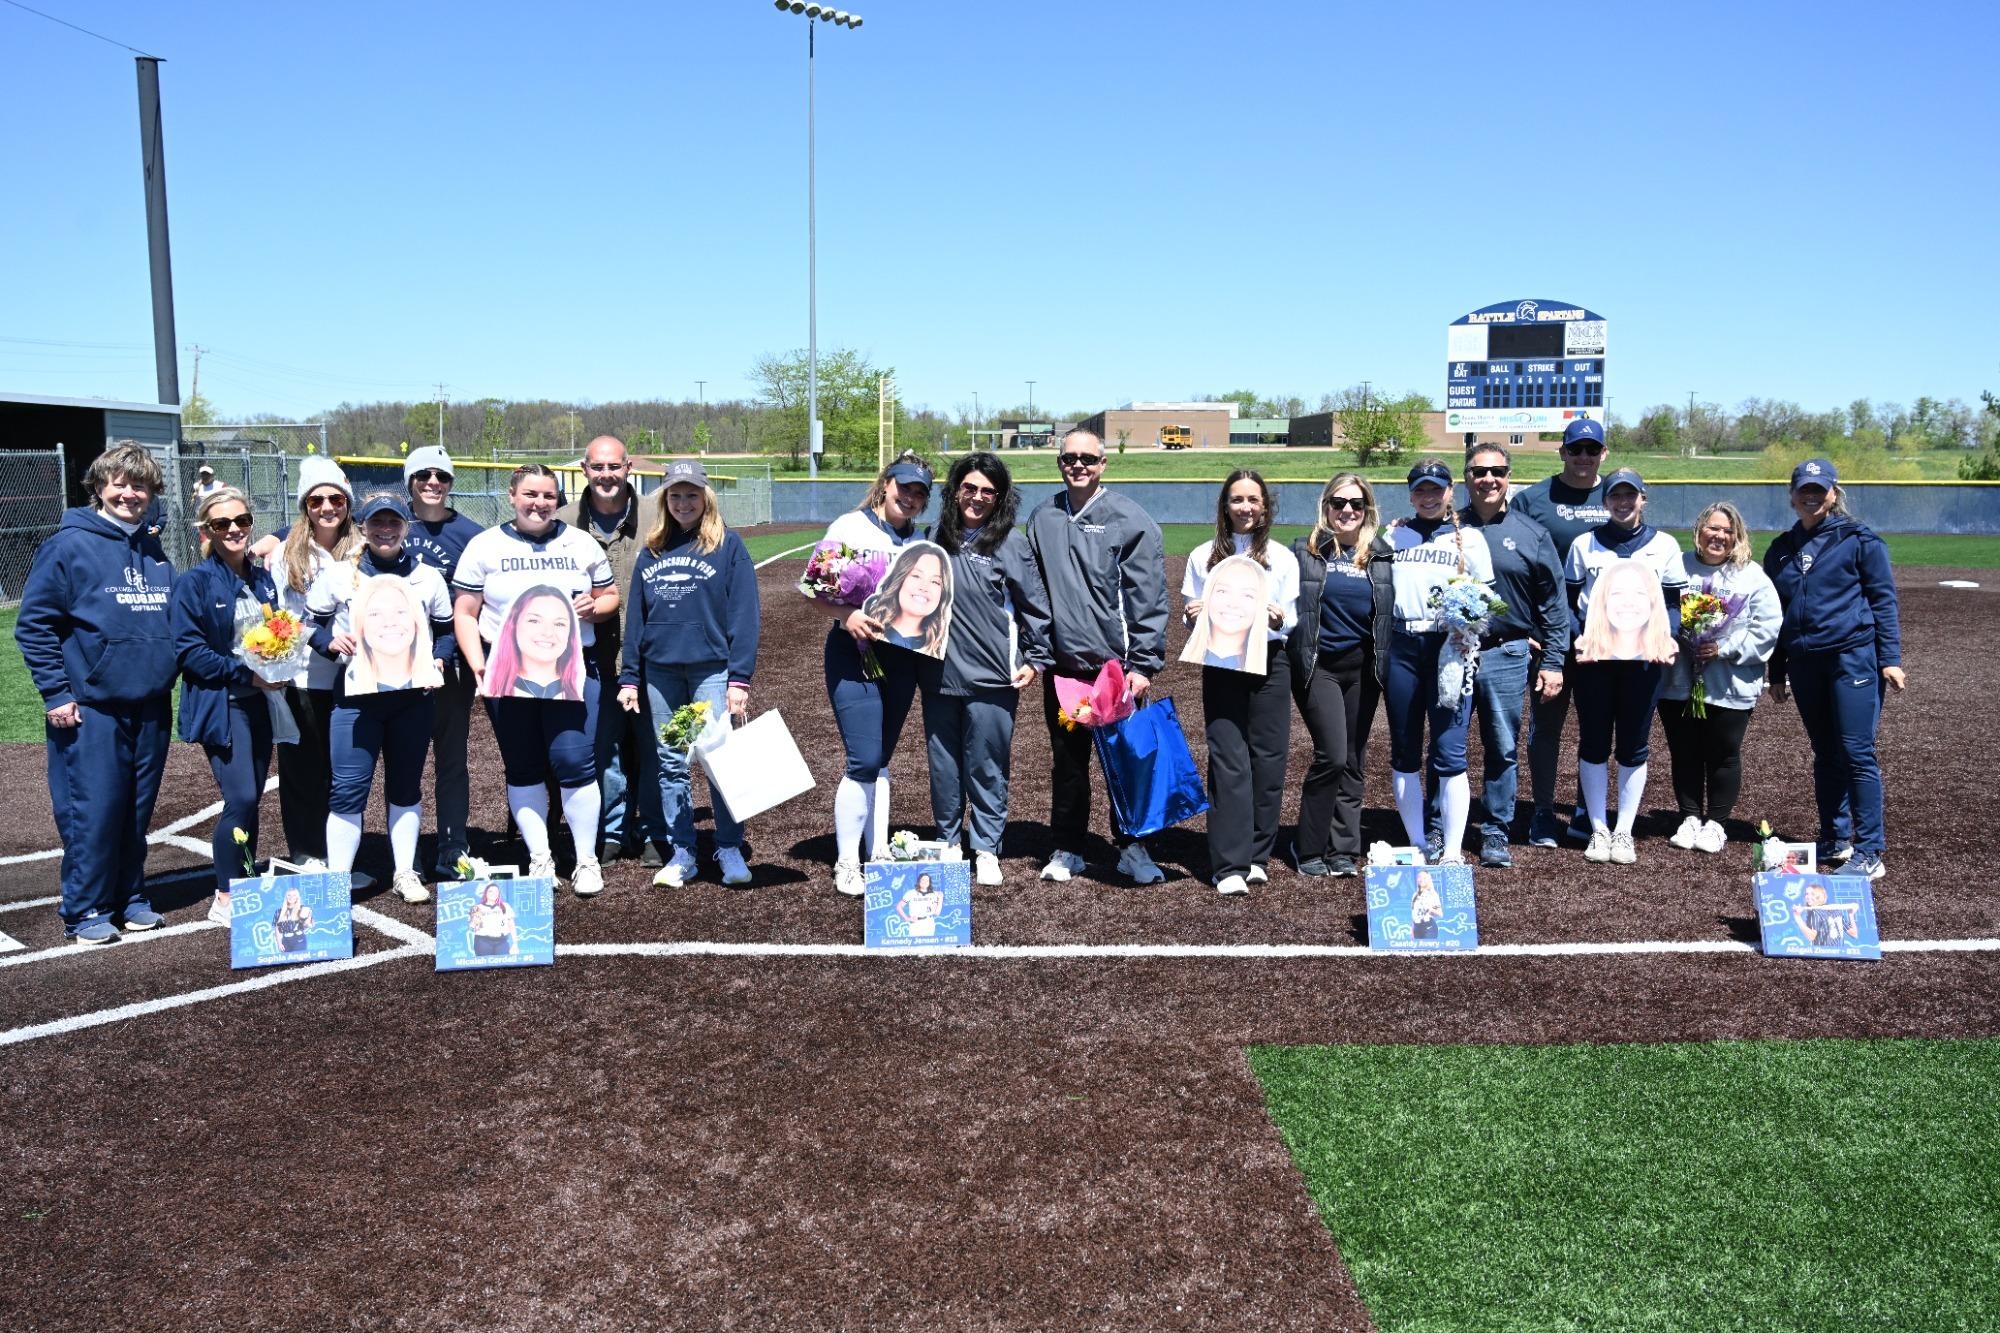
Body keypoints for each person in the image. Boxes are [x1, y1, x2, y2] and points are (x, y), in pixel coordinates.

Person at [14, 442, 178, 943]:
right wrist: (57, 693)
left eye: (141, 485)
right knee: (94, 809)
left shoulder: (153, 547)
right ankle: (85, 907)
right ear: (99, 488)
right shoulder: (67, 546)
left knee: (136, 809)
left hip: (149, 702)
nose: (131, 493)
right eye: (121, 483)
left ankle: (129, 896)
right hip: (89, 705)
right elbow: (34, 625)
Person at [453, 464, 620, 895]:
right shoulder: (484, 545)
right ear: (512, 495)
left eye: (548, 495)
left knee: (574, 760)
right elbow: (466, 613)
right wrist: (477, 664)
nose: (539, 503)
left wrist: (593, 609)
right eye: (530, 494)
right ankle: (540, 857)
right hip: (508, 672)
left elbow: (609, 596)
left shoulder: (580, 542)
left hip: (572, 668)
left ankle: (586, 860)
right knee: (523, 765)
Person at [1025, 428, 1170, 885]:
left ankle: (1131, 847)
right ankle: (1068, 846)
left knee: (1126, 763)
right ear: (1060, 462)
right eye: (1070, 457)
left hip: (1115, 670)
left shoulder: (1130, 518)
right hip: (1066, 669)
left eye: (1088, 457)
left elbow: (1147, 594)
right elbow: (1032, 592)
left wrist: (1143, 663)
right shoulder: (1043, 516)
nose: (1079, 465)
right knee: (1068, 764)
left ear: (1103, 463)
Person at [307, 492, 456, 904]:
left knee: (406, 787)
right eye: (377, 523)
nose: (385, 530)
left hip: (412, 699)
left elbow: (444, 633)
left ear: (407, 527)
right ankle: (338, 880)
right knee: (348, 790)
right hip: (356, 700)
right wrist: (329, 642)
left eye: (394, 523)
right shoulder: (340, 575)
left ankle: (406, 872)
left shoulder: (428, 577)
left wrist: (440, 661)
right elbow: (310, 626)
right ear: (363, 527)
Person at [618, 459, 760, 889]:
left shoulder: (727, 545)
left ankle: (729, 846)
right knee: (671, 762)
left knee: (718, 759)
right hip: (660, 672)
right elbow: (637, 620)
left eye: (691, 494)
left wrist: (739, 679)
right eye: (675, 495)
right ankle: (683, 851)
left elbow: (744, 614)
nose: (683, 502)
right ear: (665, 499)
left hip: (710, 670)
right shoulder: (653, 547)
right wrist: (629, 676)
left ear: (706, 498)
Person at [1763, 459, 1905, 880]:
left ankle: (1870, 850)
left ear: (1834, 493)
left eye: (1819, 489)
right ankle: (1835, 837)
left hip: (1852, 657)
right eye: (1803, 489)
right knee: (1825, 753)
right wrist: (1777, 671)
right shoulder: (1781, 548)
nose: (1811, 495)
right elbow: (1777, 614)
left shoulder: (1860, 540)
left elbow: (1884, 600)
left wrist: (1890, 659)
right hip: (1806, 662)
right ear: (1791, 495)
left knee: (1857, 753)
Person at [921, 453, 1052, 887]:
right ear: (955, 489)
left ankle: (986, 847)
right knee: (944, 767)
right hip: (938, 674)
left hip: (994, 676)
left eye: (987, 491)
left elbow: (1035, 607)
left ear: (999, 498)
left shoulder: (1011, 543)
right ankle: (947, 843)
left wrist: (1035, 660)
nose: (976, 498)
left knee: (987, 765)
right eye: (969, 488)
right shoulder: (932, 536)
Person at [817, 454, 934, 897]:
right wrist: (847, 615)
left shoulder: (923, 543)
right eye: (904, 486)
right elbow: (816, 591)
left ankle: (878, 851)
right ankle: (848, 862)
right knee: (863, 759)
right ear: (886, 483)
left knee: (881, 759)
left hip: (903, 658)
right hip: (853, 652)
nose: (910, 497)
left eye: (920, 492)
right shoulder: (849, 528)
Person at [170, 485, 287, 925]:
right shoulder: (194, 582)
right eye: (222, 523)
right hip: (224, 704)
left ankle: (243, 883)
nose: (234, 529)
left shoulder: (260, 578)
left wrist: (281, 660)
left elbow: (278, 633)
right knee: (239, 796)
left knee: (250, 798)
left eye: (241, 521)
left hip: (261, 702)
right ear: (207, 531)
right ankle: (224, 897)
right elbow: (188, 651)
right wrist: (246, 673)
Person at [1448, 443, 1569, 867]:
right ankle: (1440, 826)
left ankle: (1495, 831)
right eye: (1479, 472)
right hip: (1453, 651)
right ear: (1466, 478)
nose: (1488, 479)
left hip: (1506, 653)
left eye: (1497, 471)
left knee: (1501, 747)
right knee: (1448, 744)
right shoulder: (1446, 530)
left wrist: (1554, 660)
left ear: (1508, 476)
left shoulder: (1532, 532)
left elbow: (1554, 604)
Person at [1371, 460, 1495, 865]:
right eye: (1421, 489)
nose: (1429, 496)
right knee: (1405, 750)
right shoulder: (1391, 535)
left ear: (1449, 492)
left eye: (1436, 489)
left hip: (1450, 648)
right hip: (1403, 647)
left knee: (1450, 752)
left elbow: (1490, 602)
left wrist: (1472, 618)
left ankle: (1454, 852)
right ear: (1410, 494)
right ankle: (1420, 845)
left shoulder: (1470, 539)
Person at [1182, 470, 1298, 895]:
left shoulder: (1283, 557)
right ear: (1224, 505)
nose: (1245, 508)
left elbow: (1292, 618)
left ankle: (1257, 856)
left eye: (1253, 499)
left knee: (1268, 759)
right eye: (1236, 499)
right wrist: (1192, 614)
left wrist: (1278, 617)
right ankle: (1228, 864)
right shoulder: (1203, 555)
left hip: (1271, 661)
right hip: (1222, 659)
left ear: (1265, 505)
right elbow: (1188, 612)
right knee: (1228, 758)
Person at [1565, 469, 1686, 865]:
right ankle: (1599, 828)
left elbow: (1672, 604)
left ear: (1642, 499)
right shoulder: (1585, 544)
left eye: (1630, 496)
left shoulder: (1665, 545)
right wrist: (1577, 635)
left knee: (1634, 747)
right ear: (1605, 501)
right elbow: (1568, 601)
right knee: (1594, 742)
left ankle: (1624, 831)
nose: (1623, 502)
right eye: (1615, 496)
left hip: (1641, 663)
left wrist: (1667, 635)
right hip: (1596, 661)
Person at [557, 436, 665, 866]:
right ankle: (613, 829)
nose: (606, 475)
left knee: (657, 749)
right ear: (584, 469)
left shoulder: (660, 515)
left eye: (614, 467)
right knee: (604, 750)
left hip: (654, 658)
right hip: (589, 661)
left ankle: (657, 829)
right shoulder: (563, 520)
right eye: (597, 467)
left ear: (629, 467)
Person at [250, 457, 360, 871]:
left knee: (346, 772)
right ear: (305, 505)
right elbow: (279, 614)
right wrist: (320, 640)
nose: (327, 507)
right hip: (303, 678)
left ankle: (342, 858)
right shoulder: (285, 553)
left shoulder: (363, 547)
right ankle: (310, 854)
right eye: (317, 499)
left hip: (355, 677)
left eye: (335, 498)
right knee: (303, 772)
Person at [1512, 417, 1615, 847]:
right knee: (1546, 727)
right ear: (1563, 453)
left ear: (1603, 454)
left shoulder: (1619, 495)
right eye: (1576, 449)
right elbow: (1510, 565)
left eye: (1592, 450)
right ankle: (1540, 811)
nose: (1584, 457)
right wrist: (1526, 625)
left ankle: (1583, 810)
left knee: (1598, 727)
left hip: (1607, 637)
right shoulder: (1533, 498)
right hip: (1549, 635)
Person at [1659, 501, 1781, 855]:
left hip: (1730, 682)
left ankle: (1716, 823)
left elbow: (1768, 627)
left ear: (1737, 536)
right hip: (1679, 680)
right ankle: (1690, 818)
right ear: (1699, 530)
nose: (1719, 536)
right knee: (1684, 751)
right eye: (1713, 528)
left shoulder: (1751, 575)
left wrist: (1724, 648)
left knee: (1723, 753)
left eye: (1728, 531)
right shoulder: (1676, 567)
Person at [1288, 473, 1380, 879]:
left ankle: (1343, 849)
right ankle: (1307, 845)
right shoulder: (1303, 552)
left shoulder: (1382, 555)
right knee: (1333, 755)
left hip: (1363, 668)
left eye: (1356, 504)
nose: (1347, 511)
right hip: (1318, 665)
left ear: (1367, 510)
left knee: (1354, 759)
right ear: (1325, 507)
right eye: (1339, 503)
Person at [401, 446, 486, 880]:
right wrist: (276, 536)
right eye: (423, 475)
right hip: (394, 667)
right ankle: (406, 856)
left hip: (447, 664)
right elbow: (320, 526)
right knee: (404, 762)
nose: (433, 482)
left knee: (451, 758)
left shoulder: (470, 533)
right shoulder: (388, 523)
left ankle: (452, 846)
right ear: (409, 481)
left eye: (442, 476)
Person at [863, 544, 952, 654]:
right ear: (899, 579)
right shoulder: (865, 624)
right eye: (916, 576)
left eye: (935, 582)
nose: (924, 587)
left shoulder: (938, 649)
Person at [468, 883, 517, 957]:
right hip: (483, 941)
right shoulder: (478, 908)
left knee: (504, 964)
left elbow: (511, 925)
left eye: (496, 891)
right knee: (484, 965)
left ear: (499, 894)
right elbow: (472, 927)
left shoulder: (505, 906)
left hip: (501, 941)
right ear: (485, 893)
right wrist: (475, 923)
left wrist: (515, 943)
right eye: (490, 891)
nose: (493, 893)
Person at [896, 870, 943, 938]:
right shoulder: (911, 893)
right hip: (916, 923)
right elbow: (898, 907)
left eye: (927, 880)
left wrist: (940, 899)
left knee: (928, 945)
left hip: (929, 923)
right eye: (923, 880)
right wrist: (907, 919)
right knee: (915, 945)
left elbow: (937, 912)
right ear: (919, 881)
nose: (925, 882)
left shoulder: (933, 894)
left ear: (929, 883)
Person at [274, 885, 312, 952]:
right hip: (285, 941)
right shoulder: (279, 912)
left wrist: (308, 921)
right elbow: (277, 929)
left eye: (294, 895)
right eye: (289, 895)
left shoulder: (302, 909)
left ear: (297, 897)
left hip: (299, 939)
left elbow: (311, 923)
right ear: (286, 897)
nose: (291, 897)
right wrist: (279, 943)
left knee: (299, 960)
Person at [1409, 869, 1442, 941]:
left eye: (1424, 878)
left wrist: (1430, 909)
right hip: (1417, 929)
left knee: (1428, 951)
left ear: (1428, 880)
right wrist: (1412, 931)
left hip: (1429, 928)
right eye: (1419, 877)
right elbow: (1413, 914)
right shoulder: (1415, 895)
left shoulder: (1433, 894)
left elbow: (1440, 914)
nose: (1421, 879)